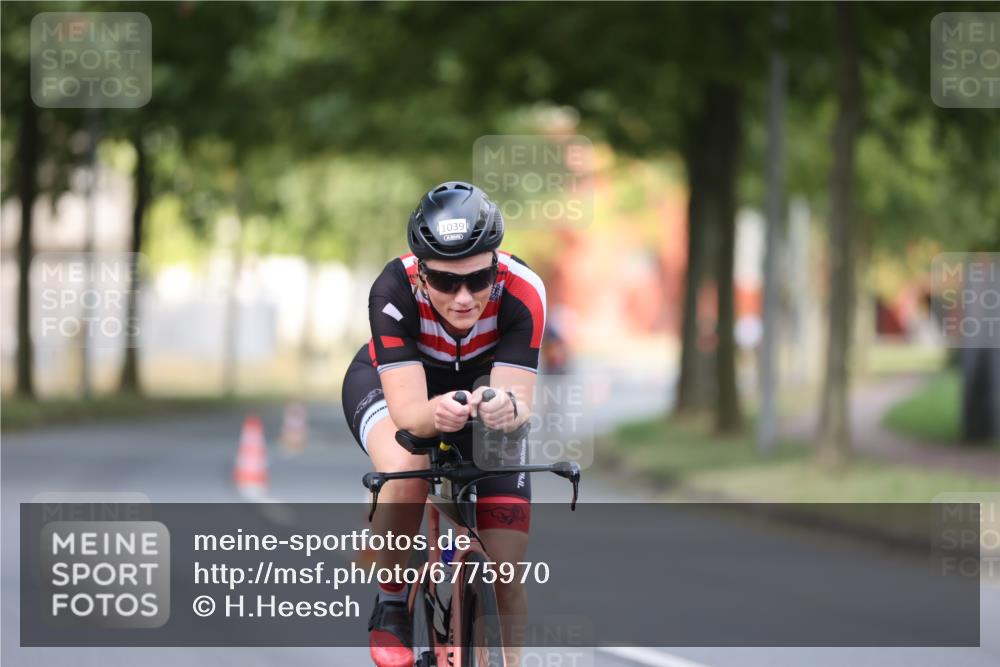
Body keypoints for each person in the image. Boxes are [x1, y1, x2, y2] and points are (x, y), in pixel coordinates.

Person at [341, 181, 546, 667]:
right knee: (409, 463)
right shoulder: (391, 290)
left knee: (507, 569)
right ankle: (391, 603)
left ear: (496, 266)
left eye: (477, 281)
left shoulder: (524, 291)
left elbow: (520, 402)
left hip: (479, 390)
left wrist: (504, 407)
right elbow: (410, 414)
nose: (462, 298)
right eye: (444, 282)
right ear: (420, 277)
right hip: (394, 384)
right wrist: (434, 414)